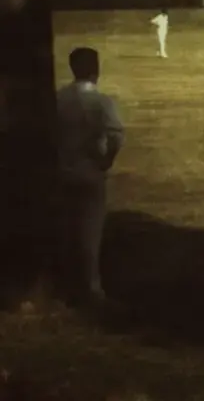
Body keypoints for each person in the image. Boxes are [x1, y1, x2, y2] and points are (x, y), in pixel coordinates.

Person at [54, 47, 125, 304]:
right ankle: (90, 287)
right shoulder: (102, 102)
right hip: (90, 173)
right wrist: (106, 160)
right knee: (90, 232)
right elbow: (116, 135)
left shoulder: (58, 99)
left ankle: (60, 282)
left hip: (62, 172)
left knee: (64, 227)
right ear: (96, 71)